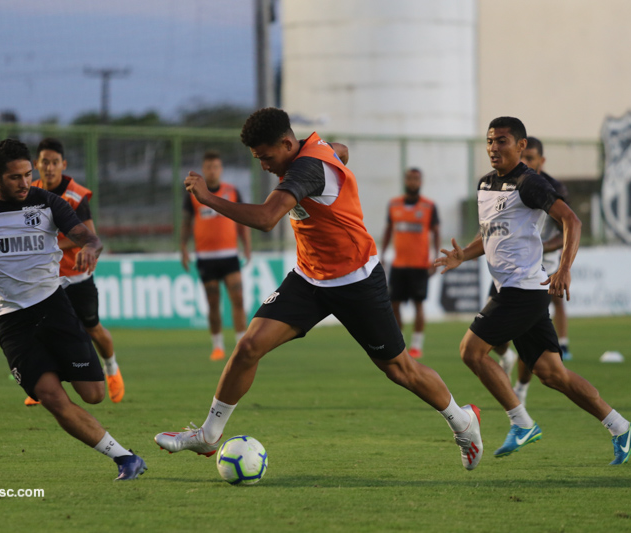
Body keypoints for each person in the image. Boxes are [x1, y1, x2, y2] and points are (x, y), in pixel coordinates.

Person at [155, 107, 484, 471]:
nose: (263, 166)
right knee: (248, 346)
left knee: (399, 369)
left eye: (266, 157)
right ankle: (209, 434)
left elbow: (266, 219)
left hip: (356, 281)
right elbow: (340, 151)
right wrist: (336, 158)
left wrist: (208, 198)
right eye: (257, 159)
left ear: (286, 143)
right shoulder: (314, 150)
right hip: (309, 278)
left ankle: (462, 420)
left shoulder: (308, 168)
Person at [0, 139, 146, 480]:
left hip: (53, 307)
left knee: (94, 394)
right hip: (13, 323)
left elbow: (91, 238)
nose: (26, 183)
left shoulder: (49, 203)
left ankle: (76, 369)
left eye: (28, 175)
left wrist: (90, 248)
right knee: (51, 397)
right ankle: (125, 458)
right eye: (15, 177)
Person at [435, 117, 631, 465]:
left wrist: (564, 268)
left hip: (524, 291)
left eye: (502, 141)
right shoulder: (485, 184)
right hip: (514, 290)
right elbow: (489, 236)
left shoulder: (529, 184)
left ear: (520, 146)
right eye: (489, 141)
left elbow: (571, 221)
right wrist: (462, 255)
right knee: (553, 374)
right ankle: (622, 427)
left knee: (471, 351)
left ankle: (522, 423)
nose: (493, 147)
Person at [29, 137, 124, 406]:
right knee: (42, 331)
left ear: (63, 164)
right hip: (46, 277)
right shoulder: (30, 191)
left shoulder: (75, 195)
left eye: (54, 162)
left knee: (92, 328)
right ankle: (41, 387)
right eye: (44, 162)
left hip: (76, 275)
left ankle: (112, 369)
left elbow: (90, 235)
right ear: (37, 164)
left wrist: (55, 244)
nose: (49, 167)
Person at [492, 136, 573, 405]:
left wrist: (548, 255)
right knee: (495, 338)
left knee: (531, 339)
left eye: (531, 159)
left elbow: (567, 227)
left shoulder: (550, 187)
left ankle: (522, 392)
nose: (525, 162)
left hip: (540, 267)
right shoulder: (508, 183)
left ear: (541, 160)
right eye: (523, 157)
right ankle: (506, 357)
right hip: (508, 268)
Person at [180, 150, 251, 361]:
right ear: (203, 169)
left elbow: (242, 220)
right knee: (213, 302)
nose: (213, 171)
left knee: (238, 298)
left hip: (229, 254)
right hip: (206, 257)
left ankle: (241, 344)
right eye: (209, 167)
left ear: (221, 169)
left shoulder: (232, 191)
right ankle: (218, 346)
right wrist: (183, 248)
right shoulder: (193, 194)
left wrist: (247, 246)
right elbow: (186, 223)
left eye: (216, 167)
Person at [381, 168, 439, 359]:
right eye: (410, 178)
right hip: (399, 264)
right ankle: (400, 343)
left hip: (420, 265)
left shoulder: (429, 206)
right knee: (394, 305)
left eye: (416, 179)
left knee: (418, 305)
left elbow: (436, 233)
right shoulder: (394, 205)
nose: (413, 182)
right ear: (405, 180)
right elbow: (388, 230)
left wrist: (434, 259)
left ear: (420, 182)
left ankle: (417, 345)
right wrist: (382, 254)